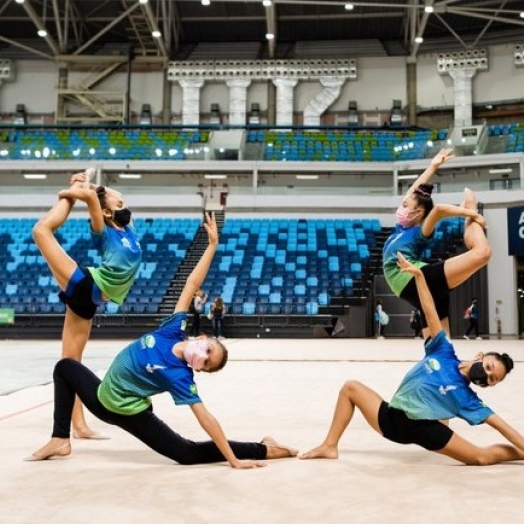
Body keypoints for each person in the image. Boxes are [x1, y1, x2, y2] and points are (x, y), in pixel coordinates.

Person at [26, 213, 297, 467]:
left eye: (206, 364)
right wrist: (212, 244)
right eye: (209, 350)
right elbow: (191, 284)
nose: (202, 357)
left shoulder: (181, 376)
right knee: (65, 367)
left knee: (187, 453)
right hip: (102, 394)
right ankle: (60, 439)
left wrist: (234, 461)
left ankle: (264, 448)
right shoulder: (172, 329)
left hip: (124, 410)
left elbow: (206, 419)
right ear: (203, 337)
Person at [300, 252, 524, 466]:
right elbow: (429, 310)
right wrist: (419, 277)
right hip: (391, 419)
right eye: (488, 367)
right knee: (350, 388)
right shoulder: (443, 350)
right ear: (480, 356)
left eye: (492, 379)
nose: (486, 376)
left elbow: (503, 427)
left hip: (426, 430)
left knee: (481, 457)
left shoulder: (469, 399)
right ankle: (330, 446)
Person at [32, 170, 142, 438]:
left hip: (90, 300)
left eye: (124, 202)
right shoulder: (103, 231)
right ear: (105, 213)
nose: (125, 207)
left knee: (72, 364)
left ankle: (79, 426)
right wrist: (75, 189)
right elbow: (93, 198)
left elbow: (98, 194)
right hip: (87, 285)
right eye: (119, 205)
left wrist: (90, 184)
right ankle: (73, 427)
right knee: (41, 230)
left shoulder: (127, 230)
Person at [383, 148, 491, 337]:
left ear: (417, 213)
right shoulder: (402, 228)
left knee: (482, 253)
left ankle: (470, 217)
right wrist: (432, 166)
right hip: (415, 288)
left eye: (405, 206)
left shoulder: (420, 232)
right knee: (440, 349)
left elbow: (439, 209)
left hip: (419, 279)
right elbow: (413, 192)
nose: (402, 207)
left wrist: (472, 213)